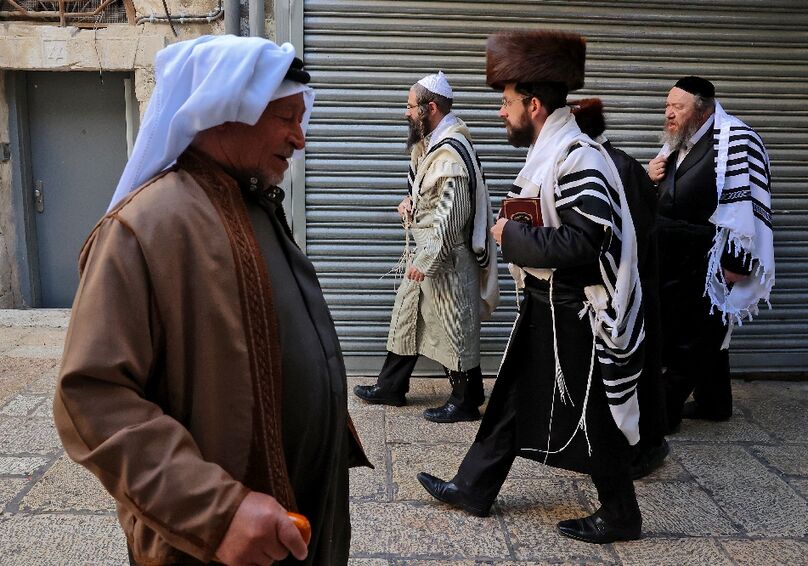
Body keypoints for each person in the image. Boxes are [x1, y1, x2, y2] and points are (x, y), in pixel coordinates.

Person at [52, 36, 370, 566]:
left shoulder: (253, 201)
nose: (300, 137)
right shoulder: (145, 226)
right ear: (226, 111)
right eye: (286, 117)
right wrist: (215, 512)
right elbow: (92, 396)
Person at [417, 31, 646, 544]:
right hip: (548, 308)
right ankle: (474, 487)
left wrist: (511, 235)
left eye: (507, 102)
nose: (501, 113)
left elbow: (585, 242)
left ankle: (621, 514)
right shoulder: (555, 147)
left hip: (580, 314)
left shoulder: (577, 155)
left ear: (534, 106)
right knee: (511, 400)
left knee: (601, 415)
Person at [353, 72, 499, 423]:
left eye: (410, 106)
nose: (406, 113)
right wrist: (410, 203)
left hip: (445, 256)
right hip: (429, 251)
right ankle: (391, 387)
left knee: (454, 324)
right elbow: (429, 196)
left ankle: (466, 400)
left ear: (429, 108)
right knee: (407, 312)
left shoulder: (451, 151)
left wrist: (428, 259)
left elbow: (454, 213)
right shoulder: (433, 143)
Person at [647, 77, 774, 432]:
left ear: (703, 109)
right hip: (675, 256)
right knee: (704, 329)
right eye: (667, 106)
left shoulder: (738, 140)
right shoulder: (677, 143)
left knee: (695, 336)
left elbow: (749, 204)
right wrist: (650, 176)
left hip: (710, 257)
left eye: (678, 107)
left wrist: (739, 262)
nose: (669, 113)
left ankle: (664, 411)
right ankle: (715, 402)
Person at [570, 98, 669, 480]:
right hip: (622, 286)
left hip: (631, 287)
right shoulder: (613, 163)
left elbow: (630, 236)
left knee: (637, 369)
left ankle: (649, 447)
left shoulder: (614, 167)